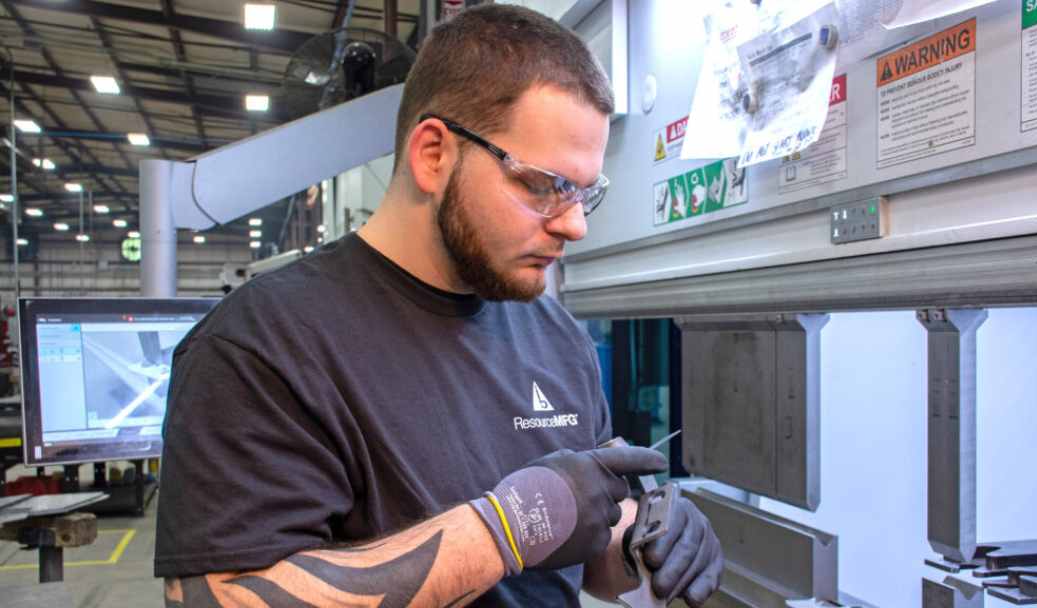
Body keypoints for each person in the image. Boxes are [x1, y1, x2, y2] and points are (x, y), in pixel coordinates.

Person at [154, 5, 723, 607]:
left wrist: (639, 544)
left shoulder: (557, 337)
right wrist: (504, 530)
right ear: (433, 154)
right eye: (546, 186)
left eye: (584, 192)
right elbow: (217, 598)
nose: (575, 224)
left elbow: (587, 562)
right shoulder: (259, 346)